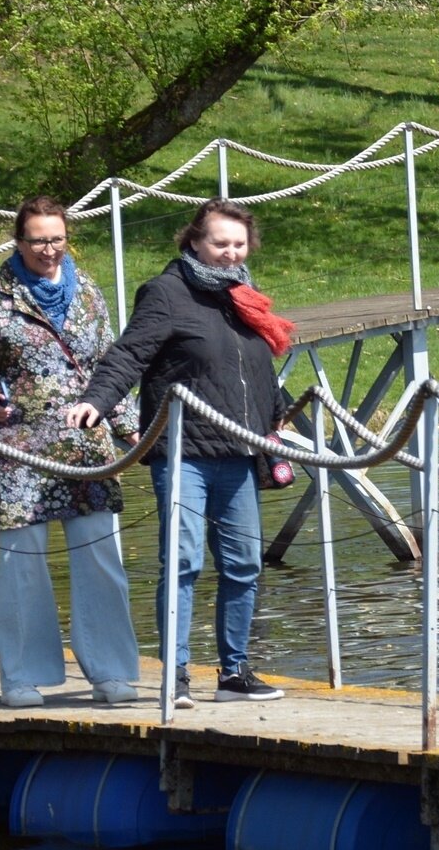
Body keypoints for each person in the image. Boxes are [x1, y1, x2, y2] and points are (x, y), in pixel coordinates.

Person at [67, 198, 291, 708]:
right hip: (184, 451)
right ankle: (178, 674)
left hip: (239, 451)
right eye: (220, 243)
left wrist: (276, 410)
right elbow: (129, 354)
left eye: (239, 244)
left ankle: (234, 673)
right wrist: (96, 401)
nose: (231, 253)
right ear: (194, 241)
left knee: (243, 564)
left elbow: (251, 365)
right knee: (183, 561)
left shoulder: (243, 294)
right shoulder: (166, 292)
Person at [0, 195, 141, 708]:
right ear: (19, 242)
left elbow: (110, 365)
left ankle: (110, 671)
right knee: (22, 564)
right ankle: (22, 677)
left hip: (86, 448)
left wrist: (132, 431)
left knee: (101, 559)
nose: (49, 249)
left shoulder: (89, 292)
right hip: (19, 450)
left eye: (56, 238)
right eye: (37, 240)